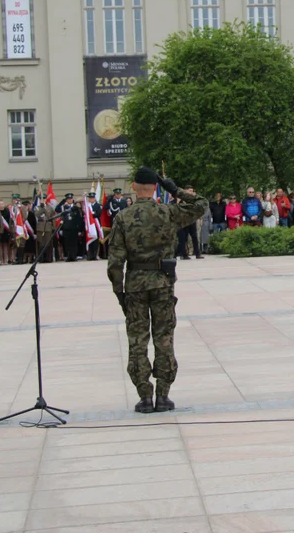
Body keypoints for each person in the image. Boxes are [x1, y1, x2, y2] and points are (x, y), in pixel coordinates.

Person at [107, 167, 206, 414]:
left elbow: (115, 262)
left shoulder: (123, 217)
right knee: (164, 338)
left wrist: (119, 292)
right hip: (162, 283)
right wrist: (175, 189)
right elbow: (201, 204)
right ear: (155, 189)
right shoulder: (168, 212)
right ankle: (163, 396)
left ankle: (144, 396)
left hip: (135, 286)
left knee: (137, 341)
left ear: (133, 186)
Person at [176, 185, 205, 259]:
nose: (191, 192)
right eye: (190, 191)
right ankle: (184, 254)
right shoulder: (180, 199)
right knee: (183, 238)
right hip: (183, 221)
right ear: (185, 191)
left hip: (192, 220)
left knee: (194, 237)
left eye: (192, 191)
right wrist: (178, 202)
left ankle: (197, 253)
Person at [59, 194, 83, 261]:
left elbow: (78, 219)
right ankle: (68, 256)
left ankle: (74, 256)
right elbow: (57, 209)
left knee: (74, 243)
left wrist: (79, 229)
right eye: (68, 199)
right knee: (67, 243)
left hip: (74, 228)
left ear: (72, 199)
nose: (69, 200)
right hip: (66, 228)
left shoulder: (76, 208)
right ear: (66, 200)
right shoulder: (64, 207)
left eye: (71, 199)